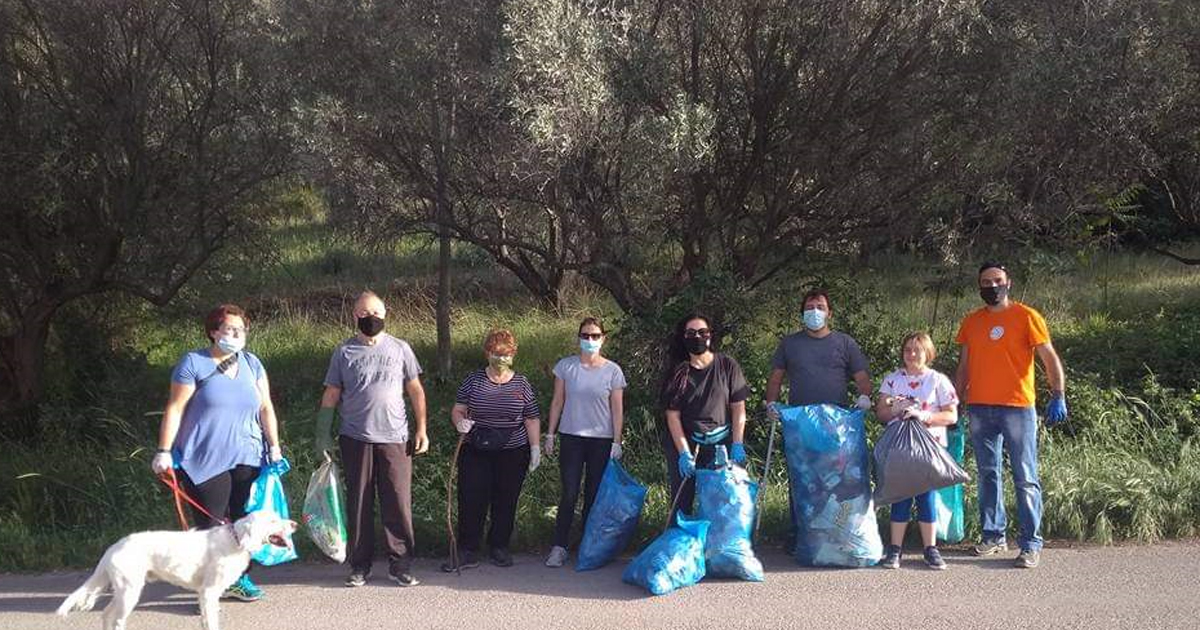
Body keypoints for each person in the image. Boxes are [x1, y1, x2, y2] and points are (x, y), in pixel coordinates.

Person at [152, 303, 283, 602]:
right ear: (213, 332)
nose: (237, 334)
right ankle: (207, 590)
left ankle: (239, 579)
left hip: (248, 456)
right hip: (203, 459)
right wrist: (163, 450)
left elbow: (266, 408)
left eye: (241, 329)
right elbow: (175, 408)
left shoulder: (252, 364)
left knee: (243, 523)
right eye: (229, 329)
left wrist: (274, 447)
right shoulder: (193, 363)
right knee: (211, 528)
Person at [955, 262, 1067, 569]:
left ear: (1008, 283)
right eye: (986, 282)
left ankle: (1030, 543)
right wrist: (957, 399)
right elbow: (964, 365)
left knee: (1025, 476)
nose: (992, 286)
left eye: (997, 281)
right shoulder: (972, 322)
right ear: (979, 287)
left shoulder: (1027, 317)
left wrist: (1058, 393)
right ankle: (993, 535)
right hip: (980, 406)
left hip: (1017, 406)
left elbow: (1049, 357)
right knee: (987, 474)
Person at [314, 290, 429, 588]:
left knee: (398, 502)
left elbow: (415, 390)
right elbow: (331, 394)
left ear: (385, 315)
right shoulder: (344, 352)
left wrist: (421, 429)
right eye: (364, 314)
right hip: (356, 437)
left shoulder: (401, 349)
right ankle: (359, 565)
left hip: (395, 437)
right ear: (355, 316)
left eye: (376, 313)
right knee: (360, 503)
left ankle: (400, 564)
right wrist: (322, 435)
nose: (371, 319)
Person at [763, 288, 872, 547]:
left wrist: (865, 397)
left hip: (837, 426)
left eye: (820, 307)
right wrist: (771, 403)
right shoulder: (790, 344)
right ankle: (801, 532)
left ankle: (838, 531)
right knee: (802, 477)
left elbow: (862, 379)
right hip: (800, 424)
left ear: (829, 313)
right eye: (810, 307)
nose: (815, 312)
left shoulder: (845, 343)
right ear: (802, 314)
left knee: (836, 479)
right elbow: (776, 377)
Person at [443, 328, 542, 571]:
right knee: (471, 498)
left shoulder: (522, 383)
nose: (501, 359)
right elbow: (458, 409)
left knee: (506, 499)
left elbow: (531, 418)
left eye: (506, 354)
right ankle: (468, 549)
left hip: (512, 450)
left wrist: (536, 447)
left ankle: (499, 546)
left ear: (513, 355)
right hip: (476, 448)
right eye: (496, 354)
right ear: (487, 353)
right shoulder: (473, 380)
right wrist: (459, 423)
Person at [542, 317, 627, 568]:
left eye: (595, 336)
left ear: (603, 338)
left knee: (594, 494)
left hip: (601, 440)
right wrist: (550, 433)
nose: (590, 340)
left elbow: (617, 409)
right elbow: (557, 401)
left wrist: (617, 441)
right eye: (585, 335)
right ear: (579, 337)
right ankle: (559, 546)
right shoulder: (566, 367)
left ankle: (588, 546)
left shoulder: (613, 370)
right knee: (569, 492)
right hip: (572, 437)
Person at [875, 332, 959, 570]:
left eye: (917, 350)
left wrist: (925, 416)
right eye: (908, 350)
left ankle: (930, 548)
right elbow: (880, 412)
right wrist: (894, 410)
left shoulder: (938, 380)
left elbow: (951, 415)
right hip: (900, 448)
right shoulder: (892, 380)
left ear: (928, 353)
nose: (912, 355)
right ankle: (895, 549)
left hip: (928, 448)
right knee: (900, 496)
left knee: (926, 497)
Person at [659, 313, 750, 517]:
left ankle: (719, 543)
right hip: (687, 441)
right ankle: (680, 539)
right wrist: (683, 453)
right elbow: (672, 416)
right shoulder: (678, 372)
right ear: (683, 338)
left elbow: (738, 408)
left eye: (702, 332)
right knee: (682, 498)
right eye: (691, 333)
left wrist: (737, 443)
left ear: (710, 335)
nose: (697, 337)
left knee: (724, 499)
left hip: (722, 443)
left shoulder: (727, 365)